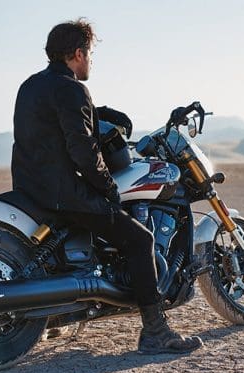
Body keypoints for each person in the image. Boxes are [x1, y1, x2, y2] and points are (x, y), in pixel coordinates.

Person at [11, 18, 202, 354]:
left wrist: (97, 112)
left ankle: (53, 320)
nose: (90, 61)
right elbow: (83, 150)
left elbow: (48, 128)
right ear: (78, 53)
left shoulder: (30, 86)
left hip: (31, 189)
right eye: (89, 53)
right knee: (140, 240)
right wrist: (107, 190)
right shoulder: (72, 88)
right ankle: (156, 332)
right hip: (64, 195)